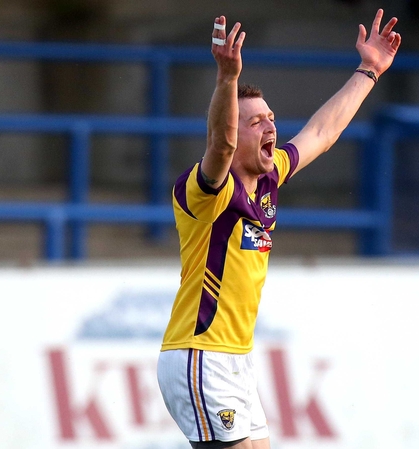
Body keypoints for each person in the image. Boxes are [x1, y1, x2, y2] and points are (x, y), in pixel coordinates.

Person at [157, 10, 401, 449]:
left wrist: (369, 71)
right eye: (257, 122)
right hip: (201, 355)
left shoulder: (270, 178)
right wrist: (228, 79)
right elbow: (221, 143)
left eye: (271, 117)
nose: (271, 126)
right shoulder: (207, 191)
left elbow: (323, 131)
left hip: (237, 359)